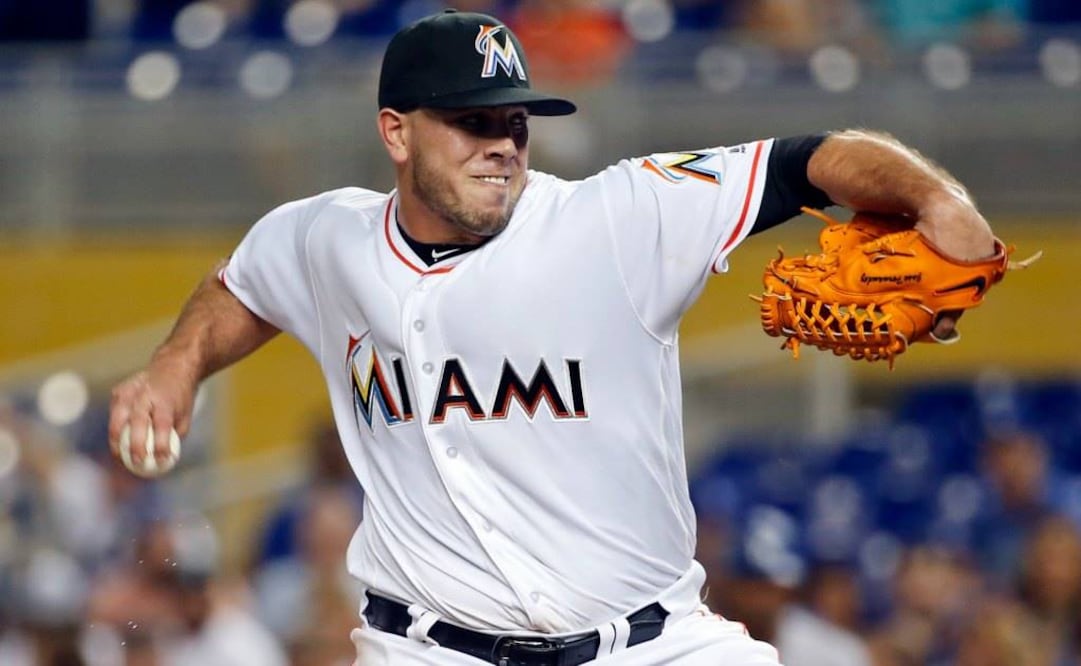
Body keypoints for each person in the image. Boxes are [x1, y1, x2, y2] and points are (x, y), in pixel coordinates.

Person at [108, 8, 997, 665]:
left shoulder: (618, 216)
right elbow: (240, 288)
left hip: (650, 647)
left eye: (514, 122)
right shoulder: (323, 238)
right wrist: (173, 367)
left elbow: (809, 159)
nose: (502, 144)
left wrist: (936, 201)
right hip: (429, 649)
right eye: (472, 121)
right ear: (395, 133)